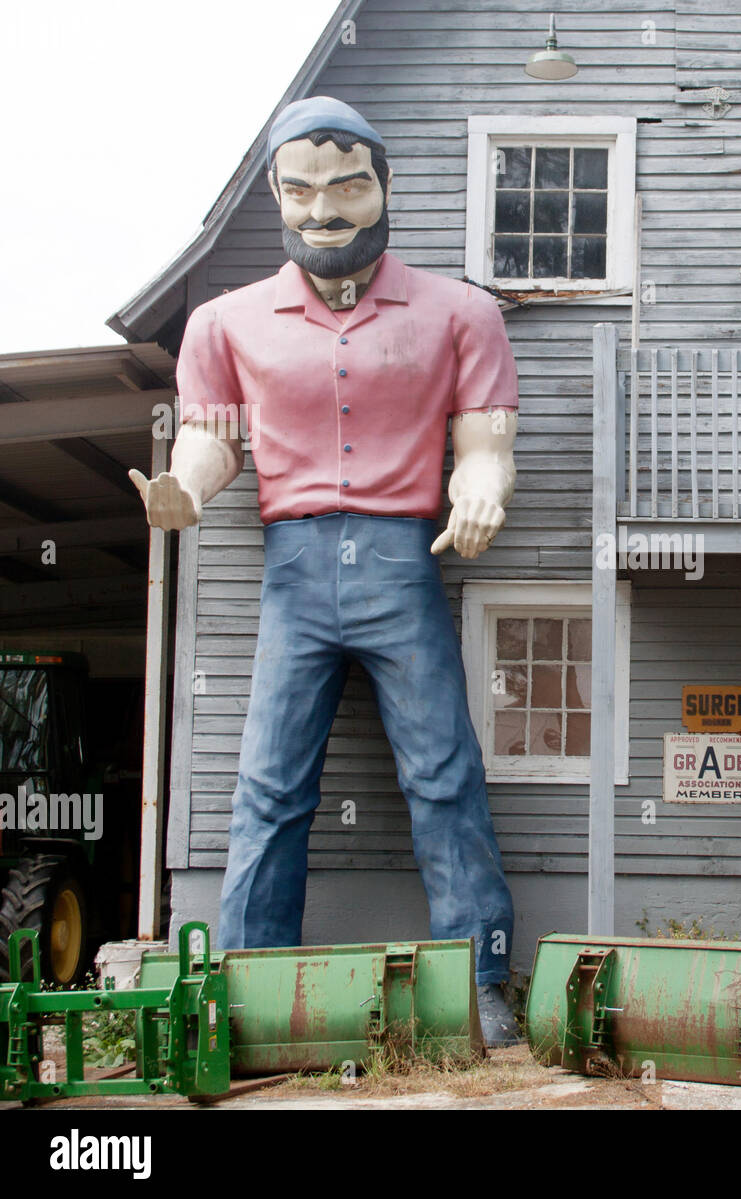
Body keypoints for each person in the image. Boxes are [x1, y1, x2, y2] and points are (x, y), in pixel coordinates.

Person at [129, 96, 521, 1045]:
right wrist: (186, 489)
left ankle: (482, 984)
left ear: (384, 184)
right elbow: (211, 439)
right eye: (300, 189)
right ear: (274, 194)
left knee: (443, 772)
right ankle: (245, 986)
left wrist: (481, 483)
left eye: (347, 184)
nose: (324, 209)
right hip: (293, 567)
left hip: (402, 556)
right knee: (267, 781)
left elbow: (485, 439)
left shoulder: (460, 311)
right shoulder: (225, 323)